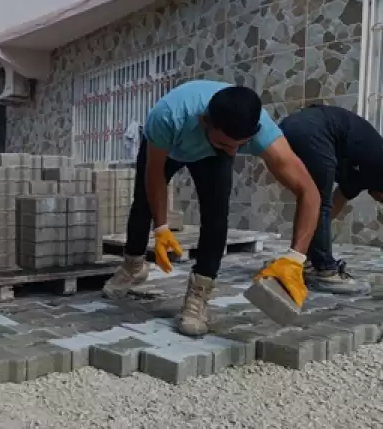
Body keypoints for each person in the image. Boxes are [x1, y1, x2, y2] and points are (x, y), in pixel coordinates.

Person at [101, 80, 321, 337]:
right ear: (206, 122)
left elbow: (310, 192)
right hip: (171, 146)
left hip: (210, 155)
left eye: (240, 145)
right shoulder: (169, 116)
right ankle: (133, 266)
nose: (234, 152)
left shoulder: (259, 133)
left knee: (216, 216)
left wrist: (295, 259)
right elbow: (154, 176)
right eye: (227, 143)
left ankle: (198, 296)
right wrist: (161, 227)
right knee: (143, 204)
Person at [279, 104, 383, 294]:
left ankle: (304, 259)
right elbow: (323, 207)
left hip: (294, 126)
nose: (378, 202)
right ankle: (324, 270)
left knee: (315, 200)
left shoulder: (364, 172)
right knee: (317, 199)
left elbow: (337, 202)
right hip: (314, 131)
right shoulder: (378, 164)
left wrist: (314, 235)